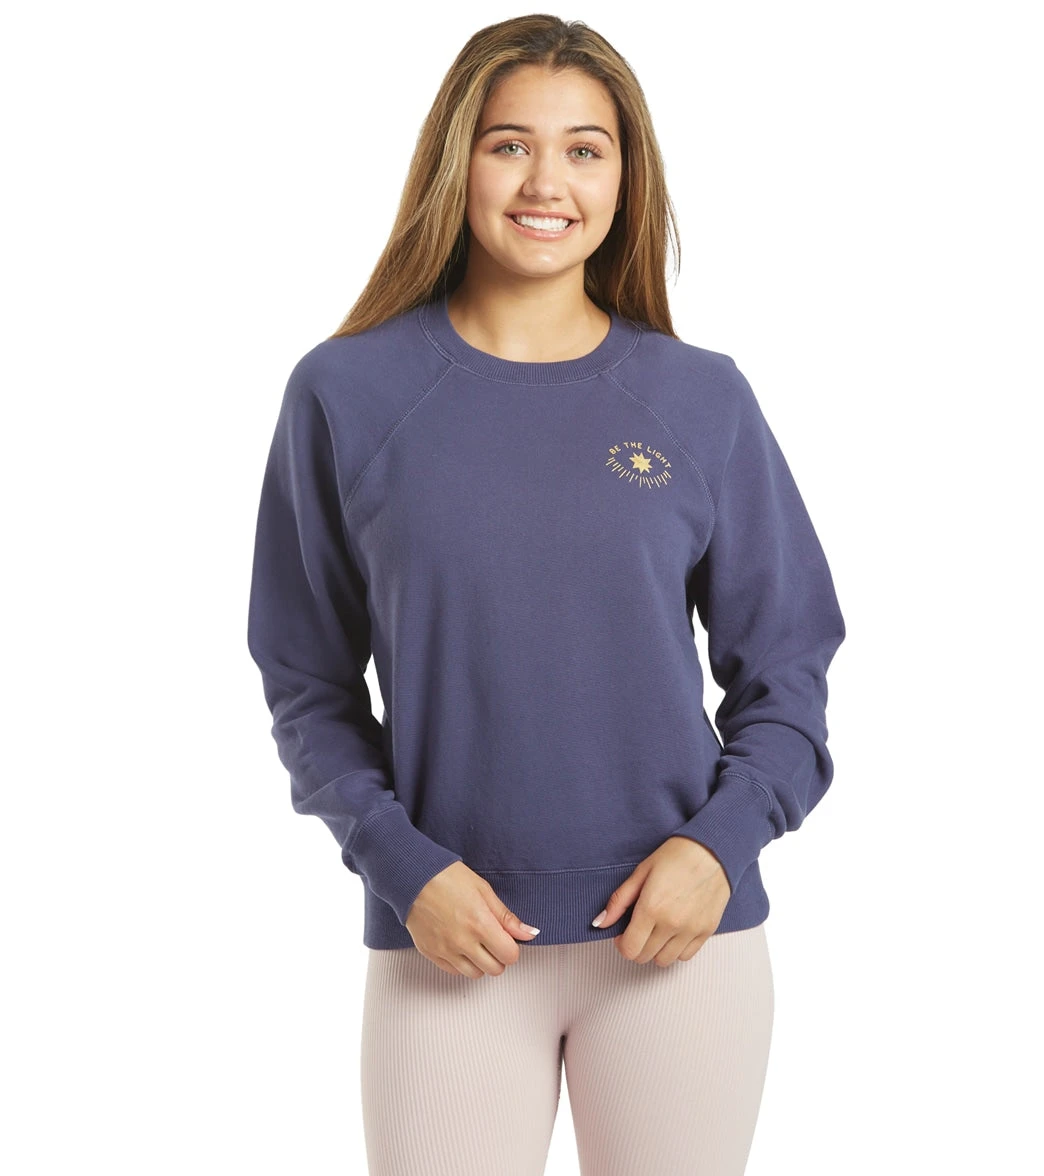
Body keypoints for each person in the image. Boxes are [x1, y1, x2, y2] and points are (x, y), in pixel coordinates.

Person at [246, 13, 846, 1175]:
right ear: (456, 161)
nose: (546, 182)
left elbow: (790, 669)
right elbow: (305, 681)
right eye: (510, 144)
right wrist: (400, 864)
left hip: (681, 950)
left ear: (626, 178)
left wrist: (719, 849)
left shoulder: (700, 398)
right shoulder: (347, 393)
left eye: (585, 149)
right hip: (444, 946)